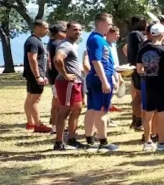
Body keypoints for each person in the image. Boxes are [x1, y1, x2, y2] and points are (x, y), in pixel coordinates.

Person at [137, 23, 164, 152]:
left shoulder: (143, 49)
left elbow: (140, 69)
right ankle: (161, 142)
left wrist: (151, 69)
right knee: (162, 115)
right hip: (163, 86)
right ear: (163, 35)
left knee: (148, 114)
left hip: (149, 84)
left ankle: (147, 142)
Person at [83, 13, 117, 153]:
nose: (110, 27)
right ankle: (103, 142)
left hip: (97, 77)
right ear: (101, 24)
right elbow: (96, 61)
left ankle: (89, 138)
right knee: (102, 110)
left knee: (92, 109)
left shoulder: (98, 39)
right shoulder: (96, 39)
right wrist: (104, 81)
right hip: (99, 77)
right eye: (109, 24)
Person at [53, 22, 85, 151]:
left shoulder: (73, 45)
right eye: (74, 29)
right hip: (67, 83)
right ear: (67, 30)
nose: (77, 32)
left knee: (77, 109)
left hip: (75, 82)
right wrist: (65, 75)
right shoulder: (65, 45)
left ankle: (72, 139)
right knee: (64, 112)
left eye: (80, 29)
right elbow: (57, 59)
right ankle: (58, 142)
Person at [22, 19, 50, 132]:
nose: (47, 31)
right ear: (37, 28)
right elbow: (32, 59)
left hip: (34, 74)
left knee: (30, 98)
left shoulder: (36, 41)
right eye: (45, 28)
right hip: (35, 75)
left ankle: (30, 123)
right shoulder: (32, 41)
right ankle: (38, 125)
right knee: (35, 100)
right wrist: (38, 76)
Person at [126, 16, 147, 132]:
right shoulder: (136, 34)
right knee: (139, 96)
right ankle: (138, 120)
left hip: (135, 68)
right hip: (139, 69)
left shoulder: (132, 34)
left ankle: (136, 119)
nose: (145, 24)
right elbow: (142, 51)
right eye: (143, 22)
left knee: (138, 96)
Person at [45, 22, 67, 132]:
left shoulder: (51, 43)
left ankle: (55, 125)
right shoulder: (58, 44)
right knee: (59, 103)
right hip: (57, 76)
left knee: (56, 102)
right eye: (65, 31)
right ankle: (56, 127)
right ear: (58, 33)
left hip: (53, 76)